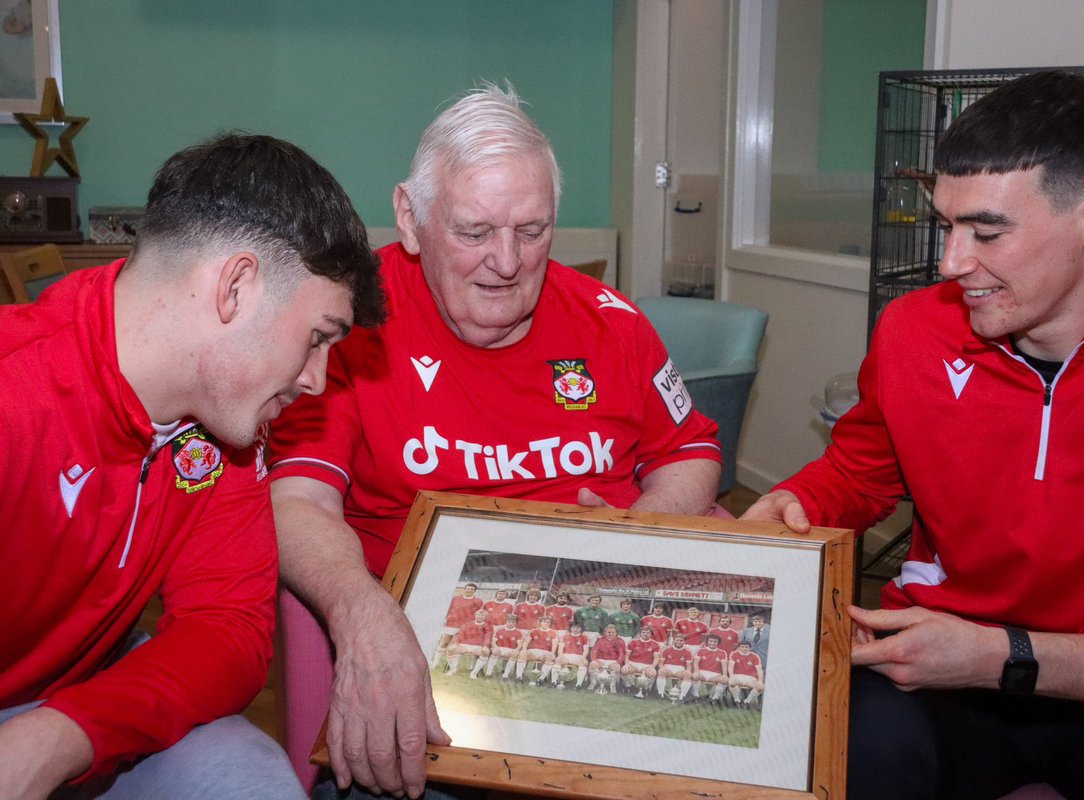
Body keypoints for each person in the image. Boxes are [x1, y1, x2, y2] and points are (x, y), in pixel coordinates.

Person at [743, 70, 1084, 799]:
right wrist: (795, 503)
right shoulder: (914, 330)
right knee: (835, 753)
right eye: (946, 226)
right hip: (935, 668)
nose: (953, 264)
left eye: (986, 232)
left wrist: (1003, 657)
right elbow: (862, 474)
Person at [268, 81, 721, 798]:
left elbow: (690, 453)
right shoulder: (345, 325)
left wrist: (639, 539)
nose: (507, 264)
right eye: (474, 232)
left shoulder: (614, 322)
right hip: (431, 666)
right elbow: (295, 501)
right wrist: (361, 613)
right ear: (410, 220)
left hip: (605, 642)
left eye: (532, 230)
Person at [0, 133, 383, 799]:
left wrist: (65, 733)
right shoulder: (16, 394)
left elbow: (229, 633)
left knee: (247, 778)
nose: (318, 380)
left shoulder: (227, 423)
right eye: (317, 338)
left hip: (80, 695)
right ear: (236, 285)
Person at [431, 583, 483, 669]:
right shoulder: (455, 599)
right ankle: (434, 663)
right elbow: (448, 610)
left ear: (474, 591)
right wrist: (445, 620)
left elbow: (478, 614)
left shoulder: (478, 601)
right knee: (444, 642)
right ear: (464, 589)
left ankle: (451, 666)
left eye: (472, 589)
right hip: (451, 623)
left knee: (456, 645)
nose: (469, 590)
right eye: (468, 588)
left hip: (465, 626)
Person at [443, 610, 491, 679]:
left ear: (485, 617)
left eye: (482, 615)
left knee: (486, 652)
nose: (480, 616)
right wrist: (455, 643)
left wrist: (485, 646)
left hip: (477, 646)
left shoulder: (488, 626)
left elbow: (488, 636)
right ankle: (452, 669)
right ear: (475, 615)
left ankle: (474, 673)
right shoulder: (467, 624)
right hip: (464, 645)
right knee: (451, 649)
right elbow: (460, 634)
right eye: (478, 615)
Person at [621, 627, 662, 697]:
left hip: (646, 665)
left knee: (652, 673)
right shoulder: (633, 642)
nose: (645, 634)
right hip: (633, 663)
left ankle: (646, 689)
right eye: (643, 632)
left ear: (651, 634)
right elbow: (627, 655)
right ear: (640, 633)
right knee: (624, 670)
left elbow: (656, 658)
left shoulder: (655, 644)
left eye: (648, 633)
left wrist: (652, 667)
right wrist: (626, 664)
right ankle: (628, 687)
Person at [587, 625, 628, 695]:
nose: (611, 634)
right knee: (592, 664)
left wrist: (618, 662)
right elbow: (594, 651)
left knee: (617, 667)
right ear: (605, 633)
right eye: (609, 632)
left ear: (616, 633)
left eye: (613, 632)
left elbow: (622, 653)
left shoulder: (620, 641)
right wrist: (594, 660)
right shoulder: (600, 640)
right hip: (601, 659)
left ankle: (612, 684)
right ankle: (593, 682)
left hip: (613, 661)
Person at [656, 633, 696, 700]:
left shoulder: (688, 651)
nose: (679, 642)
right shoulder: (666, 649)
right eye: (677, 640)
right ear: (674, 640)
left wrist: (688, 671)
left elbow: (689, 665)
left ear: (684, 642)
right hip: (668, 668)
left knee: (688, 675)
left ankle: (682, 696)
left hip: (680, 669)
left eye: (681, 640)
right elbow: (661, 663)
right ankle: (661, 694)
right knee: (661, 672)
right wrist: (662, 667)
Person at [550, 624, 590, 689]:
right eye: (573, 628)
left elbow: (586, 650)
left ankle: (578, 685)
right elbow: (560, 648)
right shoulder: (565, 636)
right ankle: (554, 682)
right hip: (566, 655)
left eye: (578, 628)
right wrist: (560, 656)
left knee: (583, 663)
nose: (575, 630)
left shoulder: (584, 637)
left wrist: (583, 658)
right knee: (558, 661)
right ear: (571, 628)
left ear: (581, 629)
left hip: (578, 656)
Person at [483, 615, 524, 679]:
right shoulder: (499, 630)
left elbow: (519, 645)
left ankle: (505, 675)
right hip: (499, 648)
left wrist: (516, 650)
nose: (510, 623)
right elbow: (493, 642)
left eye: (513, 622)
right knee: (494, 652)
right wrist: (496, 647)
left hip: (511, 649)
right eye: (509, 621)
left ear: (516, 623)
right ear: (506, 622)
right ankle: (488, 673)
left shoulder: (519, 632)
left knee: (514, 654)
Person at [727, 642, 764, 709]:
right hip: (737, 676)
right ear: (739, 647)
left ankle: (746, 701)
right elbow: (730, 667)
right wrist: (731, 676)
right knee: (731, 682)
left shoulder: (755, 656)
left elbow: (759, 670)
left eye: (746, 647)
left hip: (751, 678)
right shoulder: (734, 654)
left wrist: (760, 680)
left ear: (750, 648)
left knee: (761, 687)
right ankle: (737, 700)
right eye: (742, 646)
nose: (744, 648)